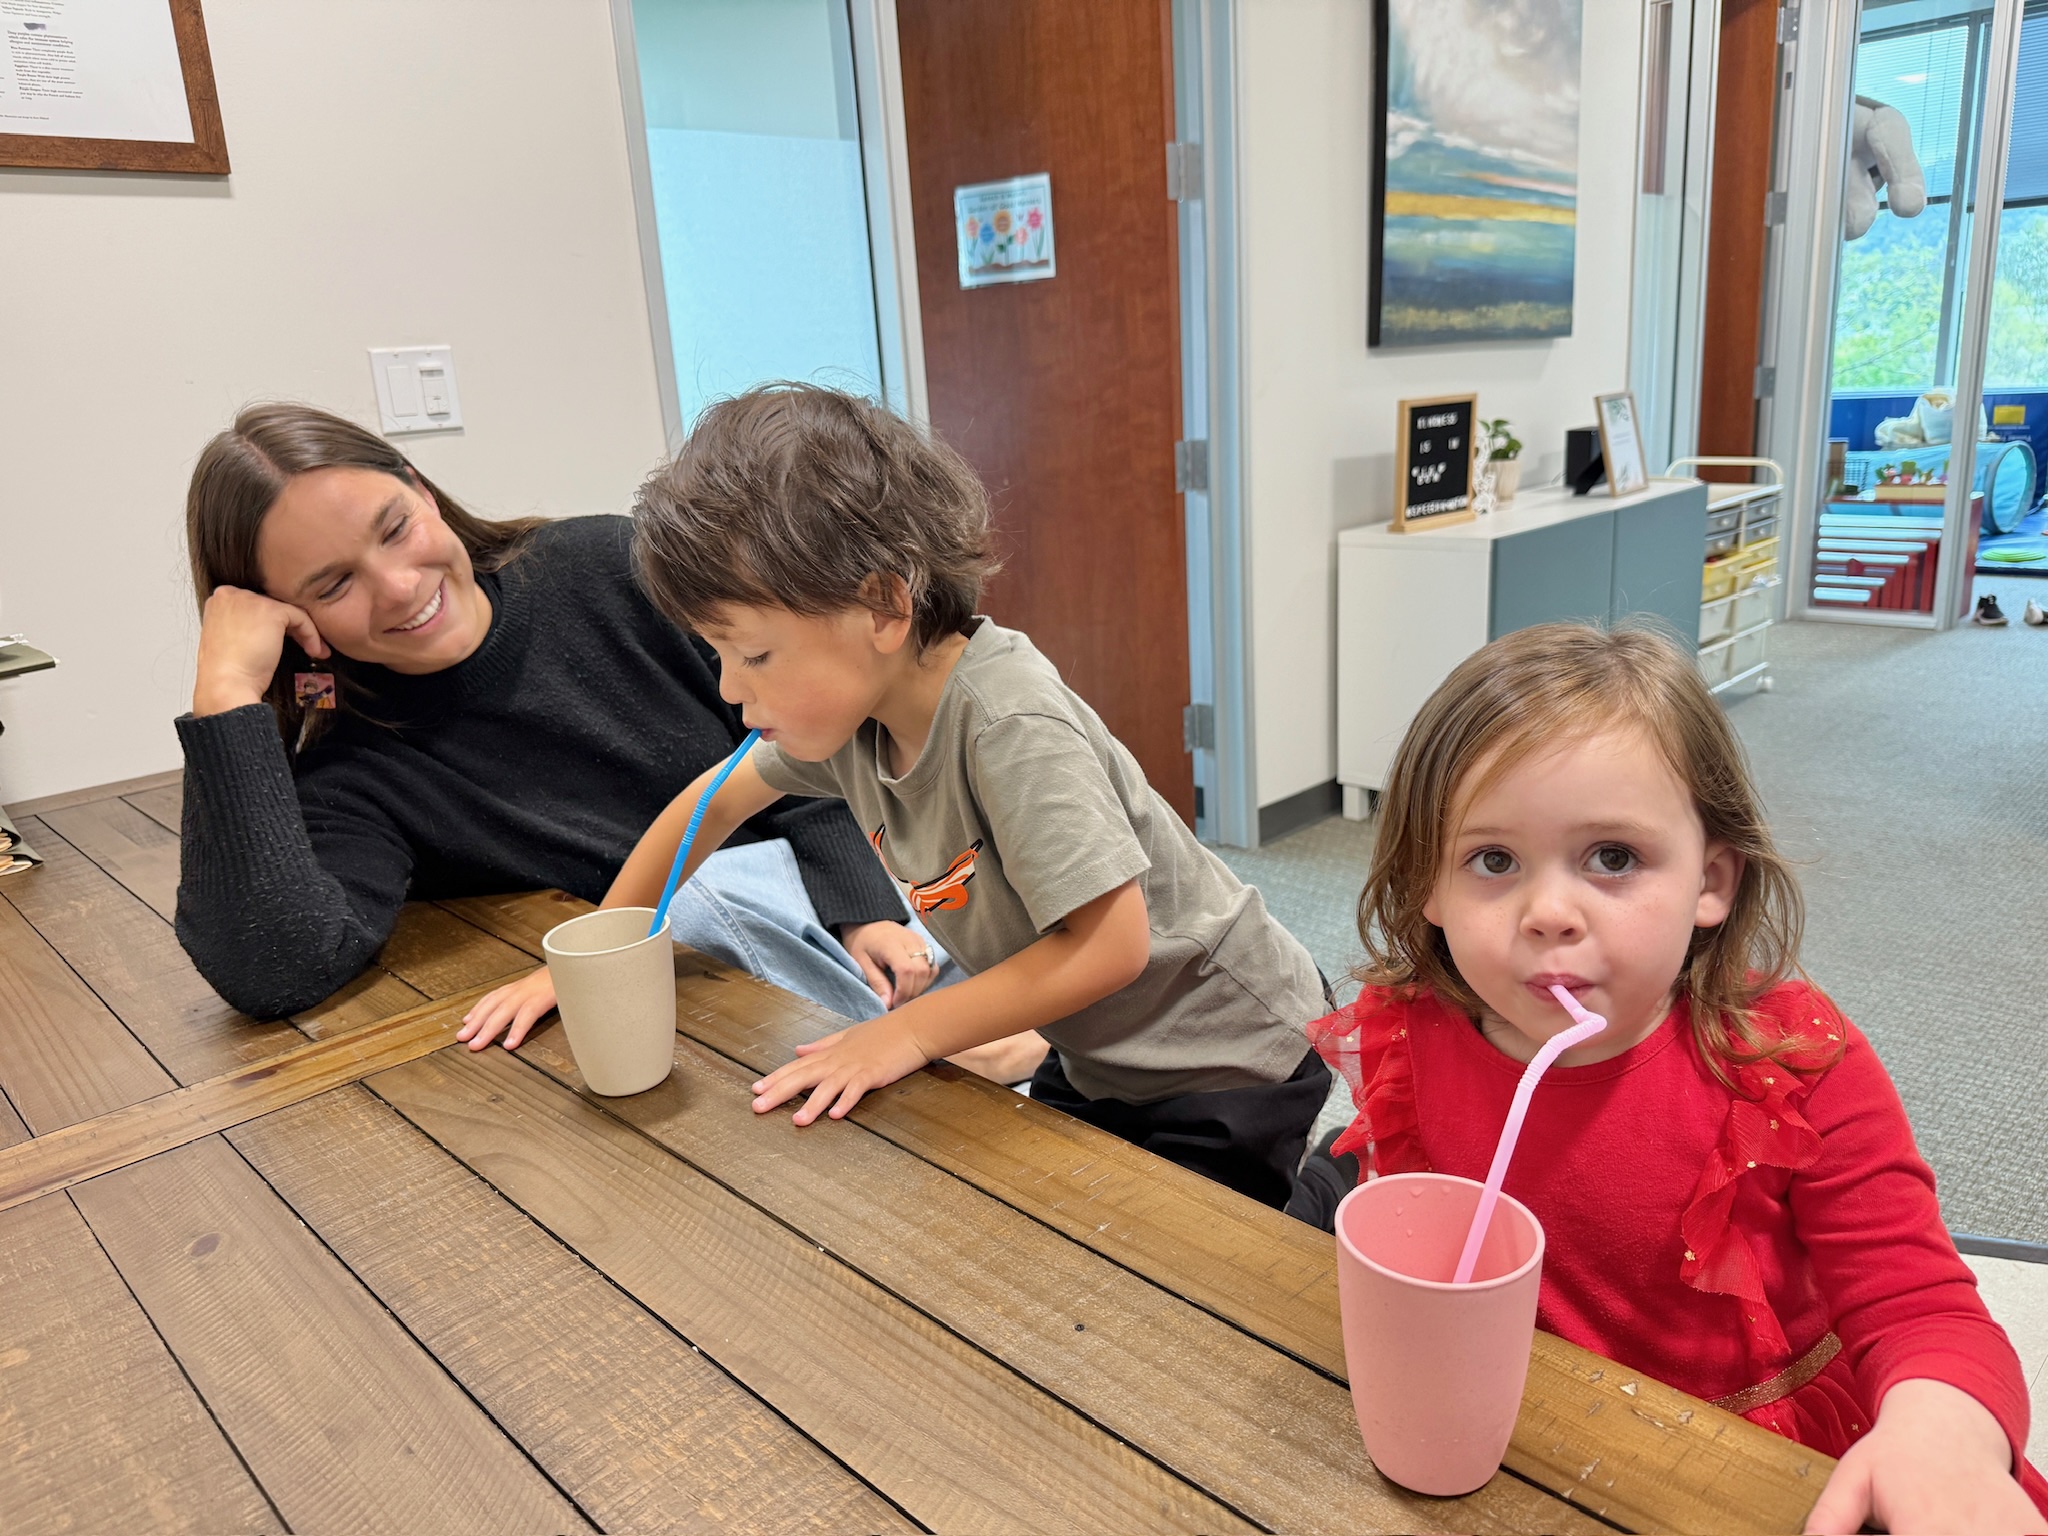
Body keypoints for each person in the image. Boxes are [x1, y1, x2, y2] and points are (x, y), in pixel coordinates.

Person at [464, 384, 1330, 1208]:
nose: (729, 689)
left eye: (755, 656)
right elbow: (708, 805)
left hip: (1226, 1057)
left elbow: (1109, 948)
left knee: (1193, 1287)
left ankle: (1332, 1185)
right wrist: (603, 954)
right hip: (1104, 1048)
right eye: (717, 654)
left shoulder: (1004, 721)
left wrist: (906, 1033)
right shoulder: (851, 721)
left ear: (881, 607)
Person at [1294, 622, 2046, 1532]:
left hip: (1755, 1462)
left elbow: (1923, 1305)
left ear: (1710, 881)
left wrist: (1944, 1433)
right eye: (1493, 861)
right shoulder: (1411, 1040)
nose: (1548, 914)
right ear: (1431, 888)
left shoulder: (1794, 1064)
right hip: (1530, 1435)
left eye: (1612, 858)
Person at [175, 402, 985, 1050]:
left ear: (422, 489)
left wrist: (860, 905)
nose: (396, 586)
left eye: (394, 527)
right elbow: (273, 969)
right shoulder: (352, 771)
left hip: (858, 914)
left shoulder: (611, 564)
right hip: (693, 1016)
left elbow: (807, 733)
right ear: (289, 621)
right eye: (333, 584)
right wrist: (226, 700)